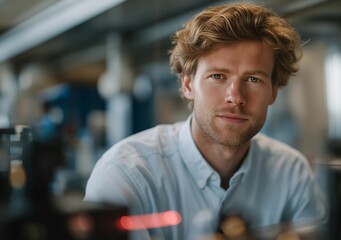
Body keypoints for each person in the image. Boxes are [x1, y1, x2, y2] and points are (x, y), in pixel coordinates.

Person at [85, 2, 327, 239]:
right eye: (218, 76)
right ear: (188, 84)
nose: (235, 97)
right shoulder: (126, 175)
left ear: (273, 92)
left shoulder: (290, 172)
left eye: (253, 79)